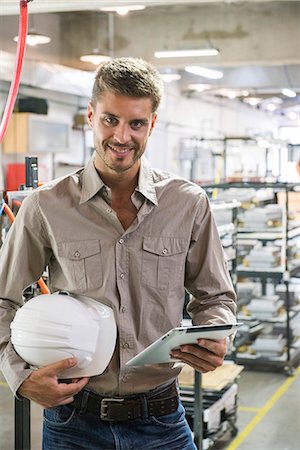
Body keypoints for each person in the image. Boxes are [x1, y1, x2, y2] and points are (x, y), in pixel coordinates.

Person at [0, 57, 236, 450]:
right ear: (91, 115)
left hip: (162, 419)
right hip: (74, 419)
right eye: (110, 119)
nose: (122, 136)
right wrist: (19, 376)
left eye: (136, 123)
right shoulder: (46, 206)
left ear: (152, 125)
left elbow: (216, 296)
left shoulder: (188, 204)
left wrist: (215, 331)